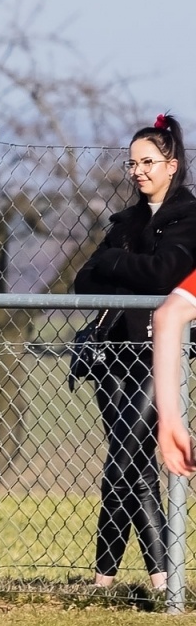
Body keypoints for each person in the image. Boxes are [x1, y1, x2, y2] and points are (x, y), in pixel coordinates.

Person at [76, 115, 196, 599]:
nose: (138, 171)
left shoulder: (189, 217)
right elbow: (85, 282)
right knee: (134, 465)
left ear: (171, 165)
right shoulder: (124, 222)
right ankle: (160, 579)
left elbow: (166, 272)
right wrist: (128, 270)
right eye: (131, 164)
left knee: (123, 458)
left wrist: (115, 266)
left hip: (157, 356)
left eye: (147, 162)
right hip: (112, 352)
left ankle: (103, 579)